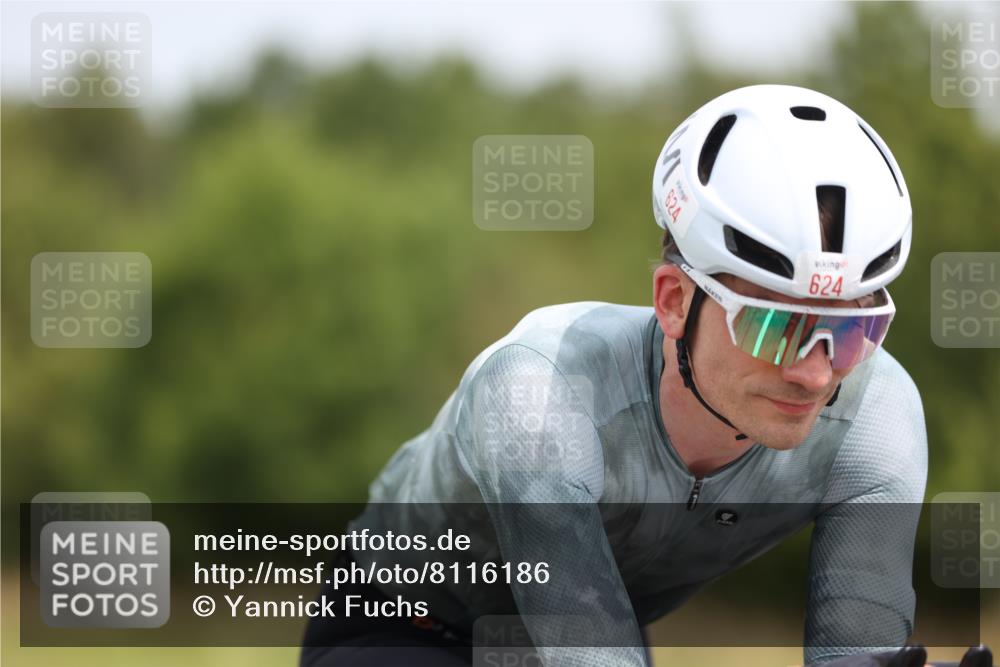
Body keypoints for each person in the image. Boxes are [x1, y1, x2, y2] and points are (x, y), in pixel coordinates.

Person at [301, 85, 961, 667]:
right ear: (674, 300)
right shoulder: (542, 386)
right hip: (410, 625)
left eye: (854, 330)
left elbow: (855, 644)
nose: (817, 373)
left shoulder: (878, 413)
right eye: (773, 326)